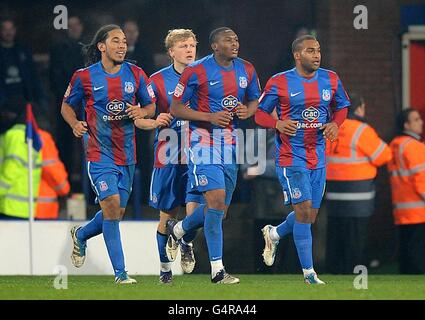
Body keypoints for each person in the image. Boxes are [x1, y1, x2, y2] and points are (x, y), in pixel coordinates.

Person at [61, 24, 156, 284]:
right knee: (112, 207)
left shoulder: (136, 74)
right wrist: (75, 124)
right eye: (116, 41)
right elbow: (66, 107)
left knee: (115, 213)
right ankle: (121, 274)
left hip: (127, 154)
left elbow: (150, 104)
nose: (122, 45)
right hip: (98, 154)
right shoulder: (84, 77)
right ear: (102, 46)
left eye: (124, 41)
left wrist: (143, 112)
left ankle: (81, 234)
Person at [168, 27, 261, 284]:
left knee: (219, 209)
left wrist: (247, 111)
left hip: (230, 144)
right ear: (214, 46)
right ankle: (217, 271)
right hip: (201, 143)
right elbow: (175, 108)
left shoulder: (247, 69)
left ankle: (179, 229)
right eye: (228, 39)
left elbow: (255, 101)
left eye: (237, 38)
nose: (235, 42)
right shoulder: (195, 70)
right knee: (216, 201)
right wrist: (209, 117)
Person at [255, 35, 350, 284]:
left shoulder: (331, 78)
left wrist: (335, 124)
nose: (317, 55)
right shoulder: (280, 81)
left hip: (317, 156)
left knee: (308, 217)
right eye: (310, 51)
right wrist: (277, 122)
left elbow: (342, 107)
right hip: (291, 156)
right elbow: (260, 114)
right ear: (298, 55)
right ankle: (309, 274)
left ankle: (274, 234)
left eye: (318, 50)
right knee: (304, 212)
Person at [325, 94, 392, 274]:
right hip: (358, 197)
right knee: (355, 242)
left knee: (335, 240)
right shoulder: (362, 130)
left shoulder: (329, 128)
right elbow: (383, 156)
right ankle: (355, 276)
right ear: (359, 108)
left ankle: (333, 275)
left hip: (333, 196)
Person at [49, 16, 85, 190]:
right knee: (65, 144)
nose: (74, 28)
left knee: (87, 144)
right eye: (70, 26)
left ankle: (87, 186)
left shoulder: (87, 49)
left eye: (76, 25)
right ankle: (67, 184)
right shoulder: (58, 49)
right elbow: (54, 77)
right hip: (66, 103)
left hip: (87, 104)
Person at [388, 108, 425, 274]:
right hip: (418, 209)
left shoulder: (395, 145)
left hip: (402, 207)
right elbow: (421, 180)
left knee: (406, 250)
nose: (421, 122)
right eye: (416, 120)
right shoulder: (415, 147)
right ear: (406, 125)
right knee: (417, 252)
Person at [0, 95, 42, 219]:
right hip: (23, 208)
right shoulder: (28, 135)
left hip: (10, 207)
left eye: (6, 112)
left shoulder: (16, 135)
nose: (3, 115)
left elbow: (11, 170)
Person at [0, 18, 47, 113]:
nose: (8, 32)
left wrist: (40, 99)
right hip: (6, 104)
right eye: (5, 29)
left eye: (11, 29)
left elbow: (33, 76)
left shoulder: (22, 50)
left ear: (15, 30)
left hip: (26, 101)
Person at [36, 127, 71, 219]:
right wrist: (64, 190)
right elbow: (51, 170)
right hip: (43, 208)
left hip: (12, 206)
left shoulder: (9, 136)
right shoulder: (42, 137)